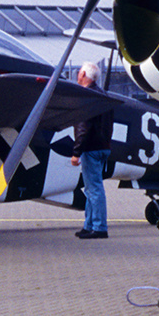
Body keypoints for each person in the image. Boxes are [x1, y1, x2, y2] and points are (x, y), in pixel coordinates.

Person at [70, 61, 113, 240]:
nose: (77, 75)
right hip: (103, 147)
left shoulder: (87, 97)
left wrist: (76, 152)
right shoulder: (102, 95)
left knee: (94, 188)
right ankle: (89, 225)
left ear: (84, 76)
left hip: (91, 148)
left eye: (79, 72)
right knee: (90, 188)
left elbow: (83, 127)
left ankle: (99, 227)